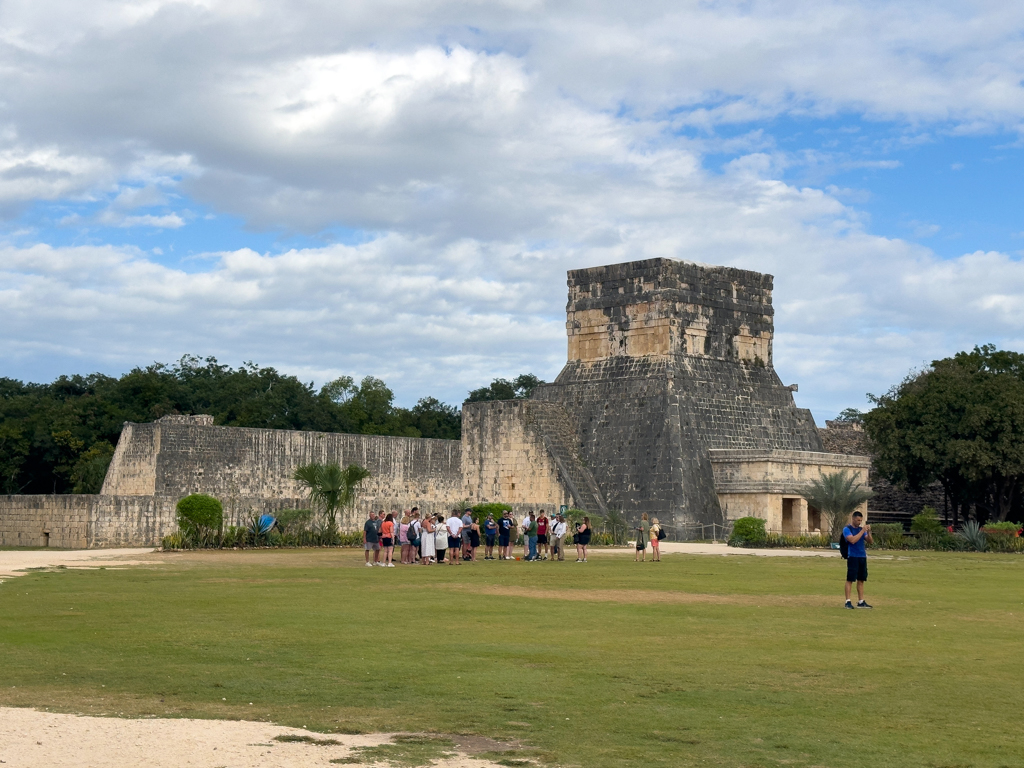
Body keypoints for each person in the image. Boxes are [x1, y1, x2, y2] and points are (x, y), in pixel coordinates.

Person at [843, 511, 873, 608]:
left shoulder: (862, 530)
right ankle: (848, 601)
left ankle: (861, 601)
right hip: (853, 556)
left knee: (861, 579)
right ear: (853, 519)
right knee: (850, 579)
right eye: (857, 520)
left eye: (861, 520)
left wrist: (868, 532)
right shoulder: (847, 529)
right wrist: (862, 531)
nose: (859, 522)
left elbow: (870, 541)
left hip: (862, 556)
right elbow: (852, 540)